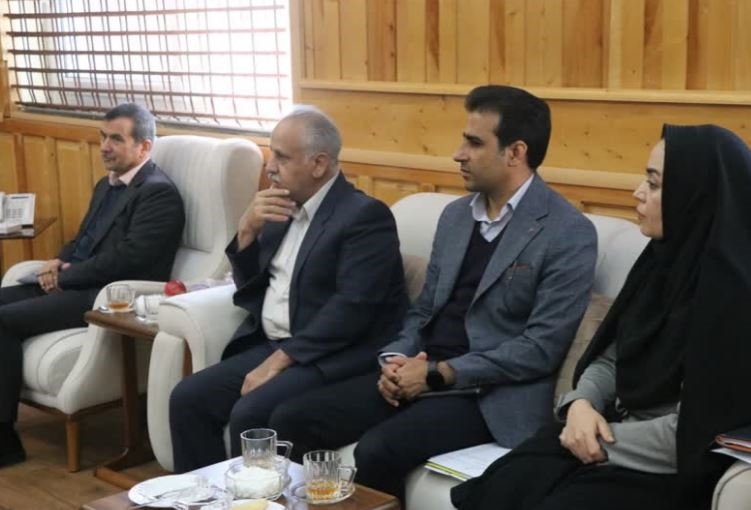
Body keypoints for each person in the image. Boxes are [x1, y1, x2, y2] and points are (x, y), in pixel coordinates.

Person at [269, 85, 597, 501]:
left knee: (379, 449)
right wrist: (394, 360)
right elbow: (423, 310)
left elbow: (539, 349)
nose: (458, 154)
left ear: (515, 152)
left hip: (486, 393)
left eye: (474, 142)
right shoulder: (456, 216)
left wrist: (438, 374)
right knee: (292, 418)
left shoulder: (568, 232)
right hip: (420, 370)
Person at [451, 124, 751, 510]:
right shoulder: (659, 265)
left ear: (696, 197)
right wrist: (580, 404)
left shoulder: (735, 301)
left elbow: (697, 432)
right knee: (503, 483)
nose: (637, 192)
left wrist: (594, 436)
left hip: (667, 467)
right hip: (604, 435)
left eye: (654, 184)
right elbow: (613, 358)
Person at [168, 106, 408, 472]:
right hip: (274, 344)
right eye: (271, 155)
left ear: (319, 163)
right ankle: (209, 494)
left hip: (328, 354)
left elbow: (352, 308)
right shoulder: (280, 206)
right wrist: (247, 230)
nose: (270, 167)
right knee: (188, 398)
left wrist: (279, 360)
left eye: (281, 157)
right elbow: (250, 289)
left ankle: (254, 497)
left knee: (251, 413)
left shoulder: (364, 217)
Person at [0, 103, 185, 468]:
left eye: (116, 139)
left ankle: (4, 438)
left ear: (144, 147)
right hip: (73, 280)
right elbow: (83, 237)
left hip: (104, 296)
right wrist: (56, 261)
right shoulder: (106, 184)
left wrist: (66, 276)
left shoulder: (158, 193)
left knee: (3, 322)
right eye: (102, 137)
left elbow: (129, 259)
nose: (104, 147)